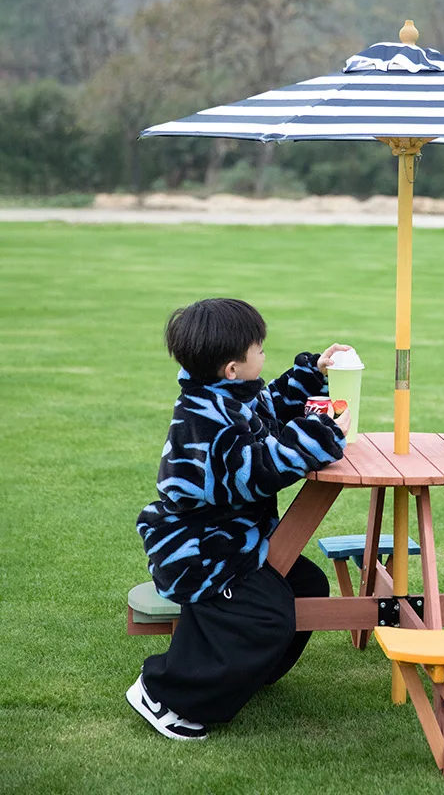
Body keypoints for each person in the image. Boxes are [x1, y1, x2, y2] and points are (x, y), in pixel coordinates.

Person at [126, 297, 353, 740]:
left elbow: (271, 409)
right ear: (232, 368)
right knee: (266, 615)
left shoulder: (228, 396)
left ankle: (245, 672)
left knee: (305, 587)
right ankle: (164, 692)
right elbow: (258, 471)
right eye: (259, 349)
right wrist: (320, 437)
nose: (264, 355)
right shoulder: (204, 422)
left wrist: (312, 374)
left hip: (235, 540)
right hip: (200, 552)